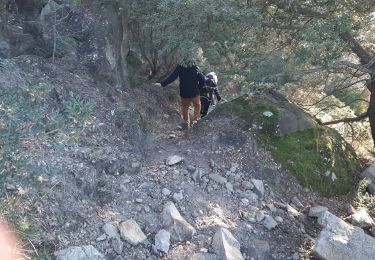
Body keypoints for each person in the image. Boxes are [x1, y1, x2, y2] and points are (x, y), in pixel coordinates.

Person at [154, 61, 205, 128]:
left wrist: (162, 84)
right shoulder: (195, 66)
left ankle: (186, 123)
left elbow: (172, 77)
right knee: (197, 105)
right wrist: (198, 89)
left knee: (185, 107)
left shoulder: (180, 66)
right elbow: (202, 80)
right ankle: (195, 121)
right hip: (195, 92)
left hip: (184, 93)